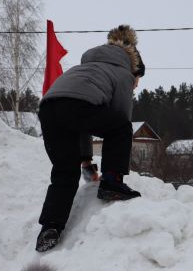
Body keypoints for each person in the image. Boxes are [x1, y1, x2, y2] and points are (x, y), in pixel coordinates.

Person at [35, 24, 145, 252]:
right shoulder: (123, 74)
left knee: (65, 170)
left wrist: (85, 161)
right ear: (134, 70)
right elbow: (122, 120)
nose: (136, 86)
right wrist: (113, 169)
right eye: (137, 81)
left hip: (48, 107)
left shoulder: (86, 68)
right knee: (122, 127)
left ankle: (50, 227)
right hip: (75, 105)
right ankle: (112, 182)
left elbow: (80, 122)